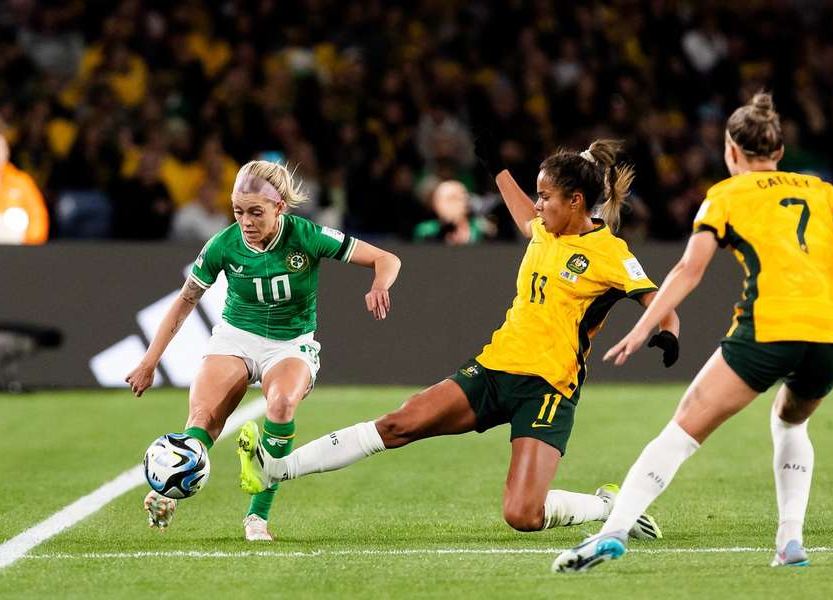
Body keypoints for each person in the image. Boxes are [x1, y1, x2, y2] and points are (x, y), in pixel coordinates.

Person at [236, 138, 681, 539]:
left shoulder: (610, 254)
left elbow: (661, 304)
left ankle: (608, 505)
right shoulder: (545, 230)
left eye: (545, 197)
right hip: (492, 371)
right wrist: (496, 167)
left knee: (523, 514)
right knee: (399, 423)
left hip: (546, 389)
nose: (538, 205)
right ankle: (276, 469)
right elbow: (522, 211)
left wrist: (665, 334)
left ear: (576, 201)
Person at [552, 93, 833, 573]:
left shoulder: (726, 195)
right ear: (778, 151)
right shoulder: (823, 191)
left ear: (732, 151)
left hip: (769, 326)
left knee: (682, 428)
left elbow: (690, 269)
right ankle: (790, 542)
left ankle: (613, 530)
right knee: (791, 421)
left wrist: (643, 326)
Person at [126, 160, 402, 541]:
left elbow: (387, 258)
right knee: (203, 421)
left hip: (290, 343)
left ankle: (257, 518)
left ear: (279, 208)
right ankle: (167, 490)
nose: (246, 222)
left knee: (281, 405)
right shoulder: (223, 244)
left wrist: (379, 285)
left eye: (256, 212)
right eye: (238, 211)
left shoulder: (307, 236)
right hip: (236, 337)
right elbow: (185, 301)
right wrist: (149, 360)